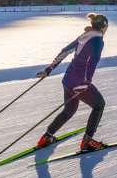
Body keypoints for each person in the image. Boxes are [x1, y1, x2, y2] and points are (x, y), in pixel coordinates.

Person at [36, 13, 109, 152]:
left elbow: (65, 51)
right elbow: (91, 63)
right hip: (79, 83)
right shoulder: (98, 41)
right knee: (99, 105)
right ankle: (87, 142)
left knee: (69, 110)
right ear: (103, 27)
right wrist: (86, 83)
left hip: (68, 80)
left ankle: (47, 137)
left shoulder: (84, 36)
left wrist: (50, 68)